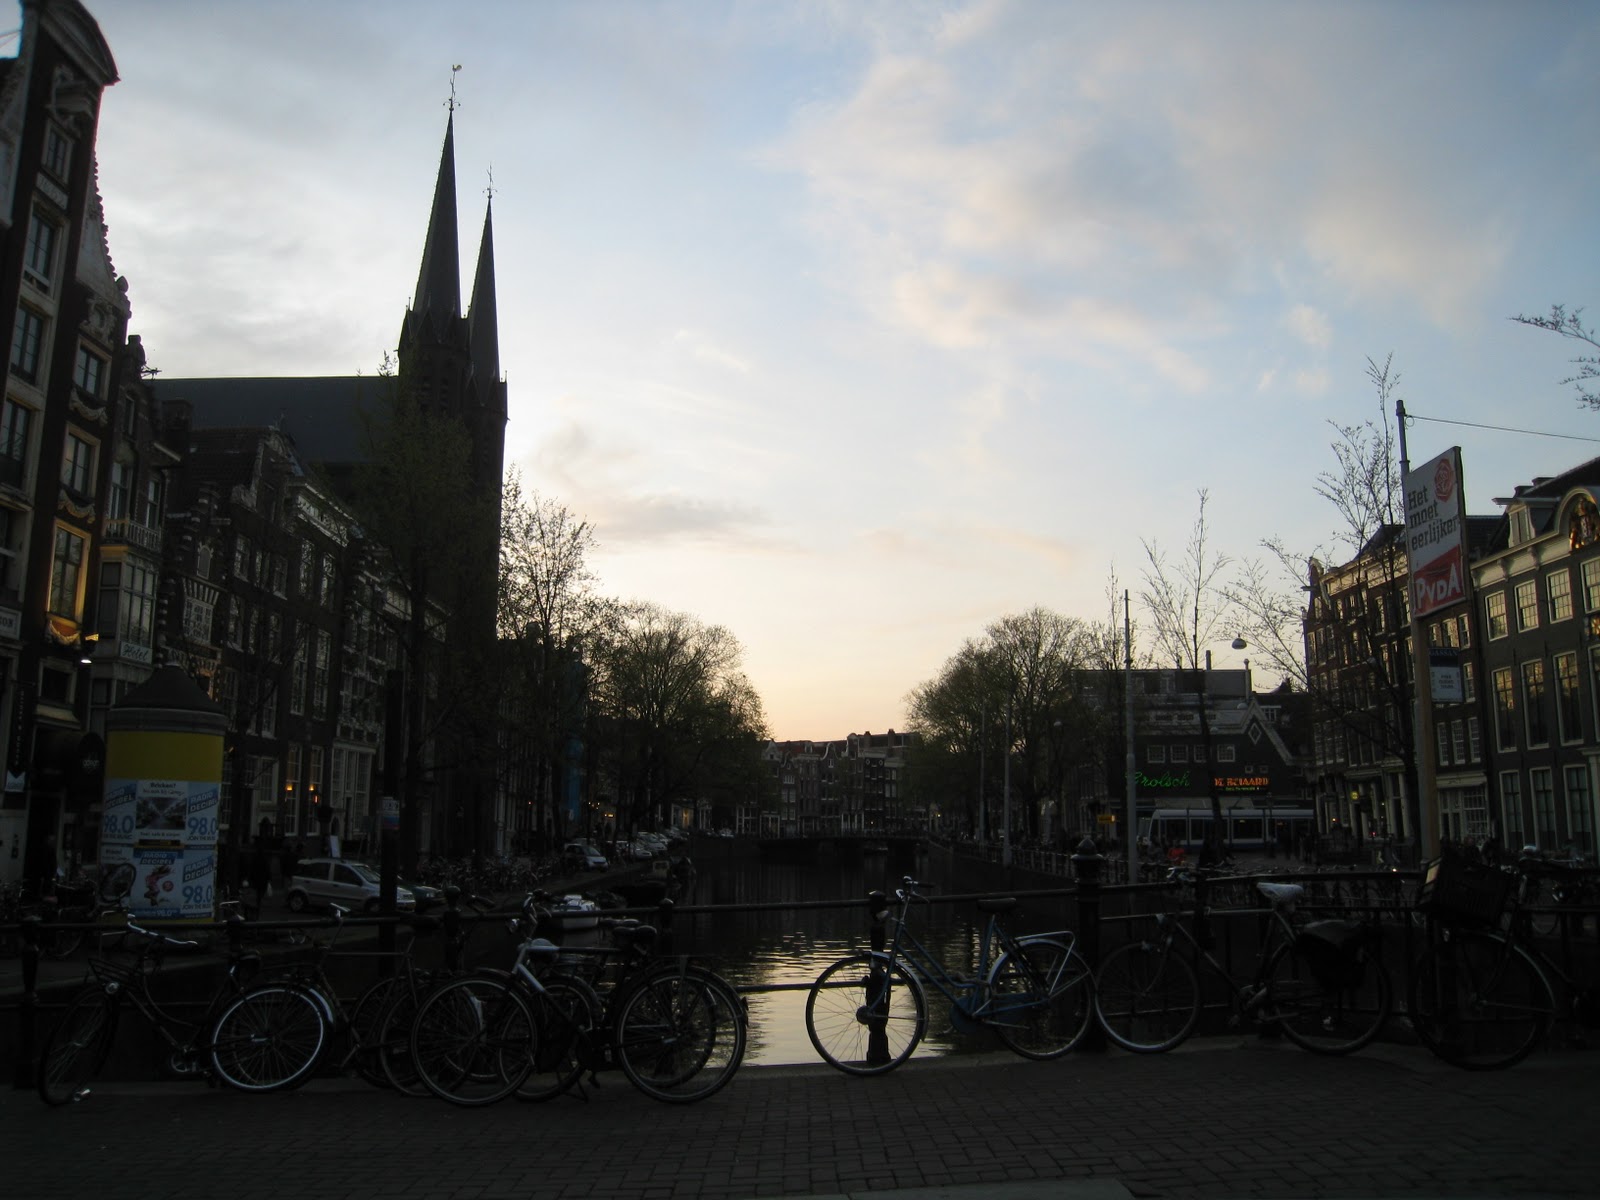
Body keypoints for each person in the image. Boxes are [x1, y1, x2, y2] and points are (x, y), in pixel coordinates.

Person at [247, 839, 271, 919]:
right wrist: (268, 878)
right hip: (262, 879)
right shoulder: (264, 859)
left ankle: (256, 906)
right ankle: (258, 904)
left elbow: (251, 869)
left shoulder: (254, 858)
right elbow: (267, 869)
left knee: (257, 893)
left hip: (256, 879)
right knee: (260, 893)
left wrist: (250, 878)